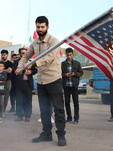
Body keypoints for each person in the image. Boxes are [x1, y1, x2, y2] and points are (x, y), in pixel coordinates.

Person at [15, 16, 66, 146]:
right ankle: (46, 134)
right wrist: (20, 67)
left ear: (47, 27)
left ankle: (61, 135)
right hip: (41, 81)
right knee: (44, 110)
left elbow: (49, 57)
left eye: (42, 27)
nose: (40, 29)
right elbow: (26, 55)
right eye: (38, 27)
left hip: (54, 79)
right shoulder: (34, 43)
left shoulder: (54, 41)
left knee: (58, 109)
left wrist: (33, 64)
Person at [12, 48, 37, 122]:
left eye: (25, 53)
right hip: (19, 84)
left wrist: (31, 72)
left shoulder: (31, 62)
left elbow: (36, 70)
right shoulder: (16, 62)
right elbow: (13, 70)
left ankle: (27, 116)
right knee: (19, 100)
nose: (24, 54)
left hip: (27, 84)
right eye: (22, 53)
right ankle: (19, 116)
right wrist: (19, 70)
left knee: (28, 100)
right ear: (20, 54)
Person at [61, 47, 83, 124]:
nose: (69, 57)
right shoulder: (62, 64)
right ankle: (69, 117)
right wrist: (65, 74)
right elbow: (60, 74)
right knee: (67, 102)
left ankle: (76, 118)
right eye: (67, 55)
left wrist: (75, 74)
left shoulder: (77, 63)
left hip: (74, 86)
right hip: (66, 86)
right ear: (65, 55)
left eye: (70, 55)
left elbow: (81, 73)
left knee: (76, 103)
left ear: (72, 54)